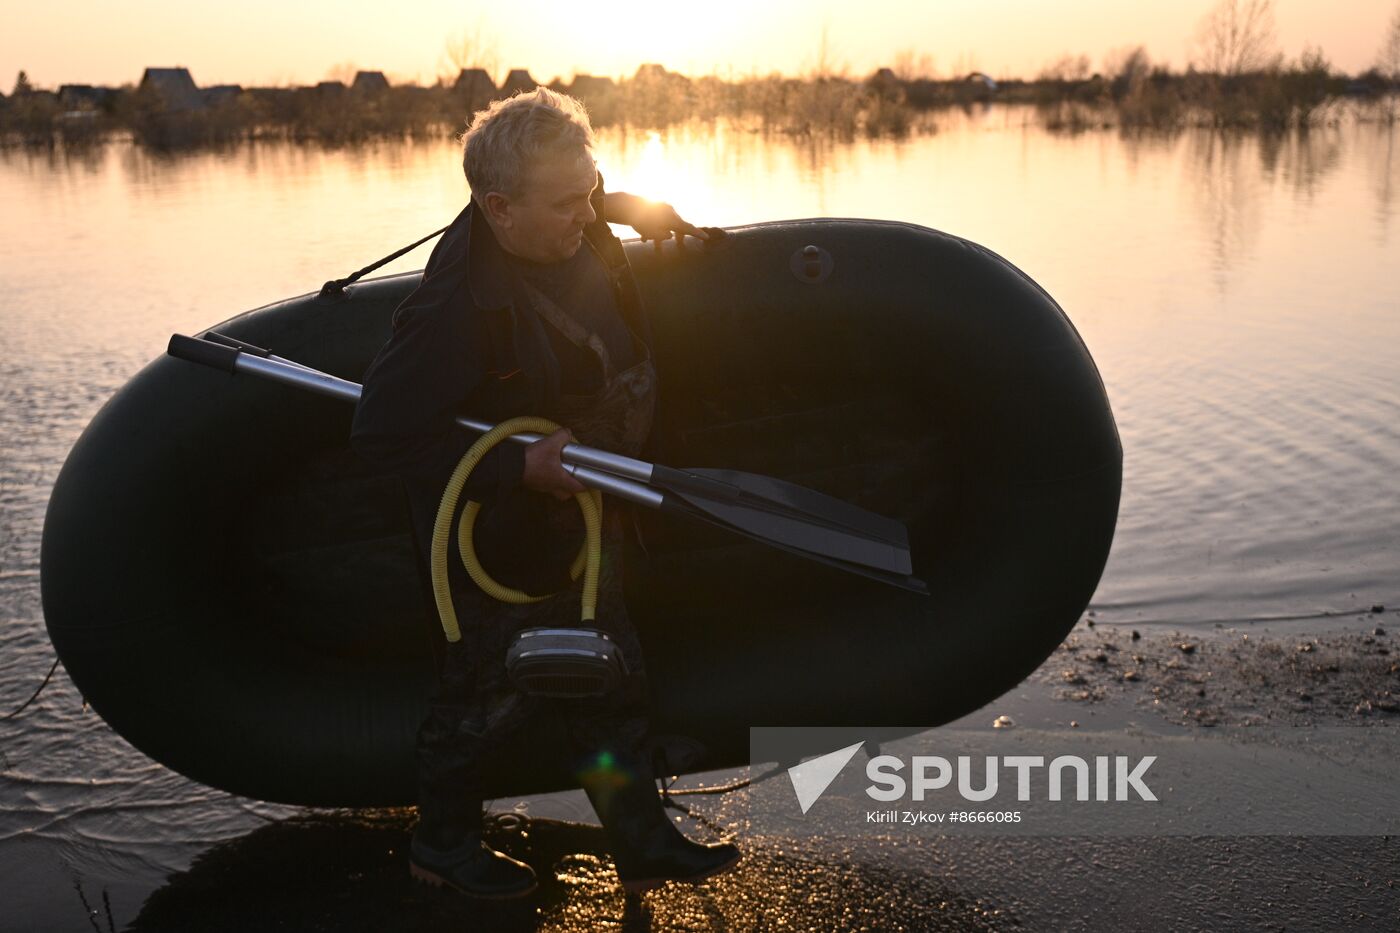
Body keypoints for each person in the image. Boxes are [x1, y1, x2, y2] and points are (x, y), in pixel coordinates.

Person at [350, 87, 741, 900]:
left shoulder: (560, 218)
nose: (585, 214)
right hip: (502, 539)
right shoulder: (453, 310)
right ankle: (443, 845)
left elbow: (588, 200)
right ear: (499, 209)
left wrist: (640, 207)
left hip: (583, 513)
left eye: (591, 192)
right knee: (480, 698)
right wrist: (514, 470)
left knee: (613, 671)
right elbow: (381, 435)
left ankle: (639, 839)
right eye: (570, 204)